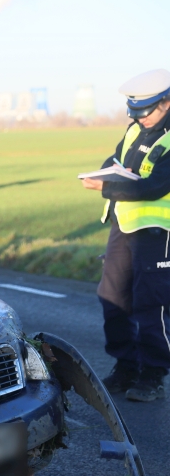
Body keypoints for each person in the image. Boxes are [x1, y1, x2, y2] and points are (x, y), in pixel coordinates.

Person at [81, 69, 170, 402]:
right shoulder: (135, 130)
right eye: (134, 111)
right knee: (113, 297)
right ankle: (126, 366)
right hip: (124, 225)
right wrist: (104, 171)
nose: (139, 118)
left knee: (152, 304)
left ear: (166, 102)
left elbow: (156, 185)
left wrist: (106, 186)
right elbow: (116, 159)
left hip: (158, 233)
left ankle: (153, 374)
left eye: (145, 111)